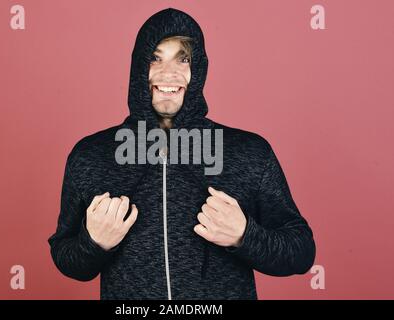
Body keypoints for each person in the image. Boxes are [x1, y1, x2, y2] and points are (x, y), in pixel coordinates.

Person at [48, 7, 315, 300]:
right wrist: (94, 243)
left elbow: (301, 251)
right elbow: (66, 257)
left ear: (197, 70)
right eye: (155, 58)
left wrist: (245, 236)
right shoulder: (91, 156)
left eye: (183, 59)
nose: (168, 74)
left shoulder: (249, 152)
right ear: (139, 68)